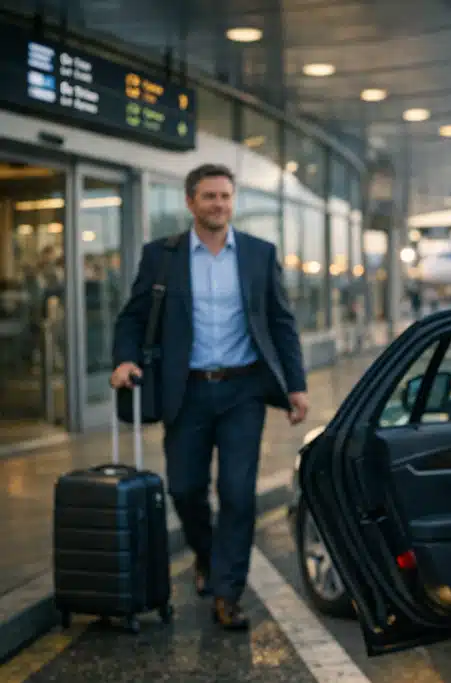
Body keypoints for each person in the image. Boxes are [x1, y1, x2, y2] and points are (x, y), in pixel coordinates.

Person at [111, 164, 309, 631]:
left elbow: (281, 322)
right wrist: (124, 360)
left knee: (238, 493)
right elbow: (132, 317)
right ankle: (205, 553)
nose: (219, 204)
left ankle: (227, 591)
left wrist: (296, 386)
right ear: (190, 202)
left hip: (244, 391)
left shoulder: (259, 254)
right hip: (187, 390)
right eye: (209, 197)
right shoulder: (162, 256)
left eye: (225, 196)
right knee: (184, 489)